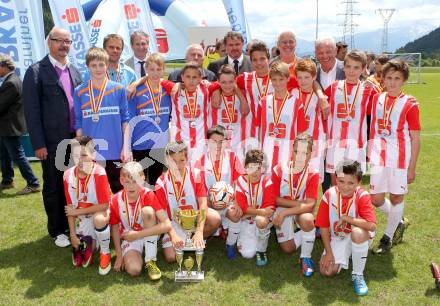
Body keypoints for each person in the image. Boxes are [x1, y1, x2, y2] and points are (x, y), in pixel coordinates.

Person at [23, 27, 83, 247]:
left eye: (67, 41)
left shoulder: (74, 71)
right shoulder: (36, 71)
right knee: (54, 186)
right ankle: (57, 230)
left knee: (72, 184)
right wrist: (38, 144)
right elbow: (31, 111)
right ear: (49, 42)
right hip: (51, 142)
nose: (64, 45)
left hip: (73, 140)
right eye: (59, 41)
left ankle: (70, 224)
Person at [369, 60, 421, 254]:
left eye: (397, 78)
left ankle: (387, 238)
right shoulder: (377, 99)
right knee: (375, 198)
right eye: (388, 78)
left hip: (399, 159)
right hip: (379, 157)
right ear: (383, 78)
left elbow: (415, 138)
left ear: (404, 81)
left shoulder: (410, 104)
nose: (392, 82)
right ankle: (399, 221)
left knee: (396, 197)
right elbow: (374, 128)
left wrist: (412, 167)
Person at [74, 47, 131, 193]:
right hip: (91, 152)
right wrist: (81, 150)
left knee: (119, 191)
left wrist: (126, 148)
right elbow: (78, 122)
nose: (98, 69)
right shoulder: (79, 91)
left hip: (116, 151)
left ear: (107, 65)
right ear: (87, 67)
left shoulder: (118, 89)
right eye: (94, 65)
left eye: (101, 65)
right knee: (94, 193)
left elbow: (125, 121)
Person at [315, 160, 376, 296]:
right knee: (327, 271)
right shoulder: (329, 195)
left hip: (361, 236)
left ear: (359, 183)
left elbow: (372, 225)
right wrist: (329, 252)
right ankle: (351, 253)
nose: (345, 187)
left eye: (351, 183)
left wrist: (348, 218)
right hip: (339, 237)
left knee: (357, 233)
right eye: (341, 181)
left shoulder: (362, 196)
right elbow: (324, 227)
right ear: (336, 179)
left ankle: (358, 275)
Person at [155, 141, 221, 263]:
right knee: (171, 258)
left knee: (215, 218)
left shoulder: (195, 175)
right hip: (174, 223)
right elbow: (163, 215)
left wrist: (200, 231)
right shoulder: (161, 182)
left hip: (195, 219)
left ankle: (196, 238)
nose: (178, 165)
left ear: (187, 159)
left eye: (182, 161)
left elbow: (202, 204)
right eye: (173, 161)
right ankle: (188, 240)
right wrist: (173, 235)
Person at [110, 161, 172, 280]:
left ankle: (150, 260)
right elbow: (115, 228)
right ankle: (137, 253)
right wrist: (119, 255)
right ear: (121, 181)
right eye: (127, 182)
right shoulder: (115, 200)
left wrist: (138, 234)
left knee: (148, 211)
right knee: (134, 270)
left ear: (142, 179)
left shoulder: (148, 194)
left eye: (135, 182)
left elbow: (167, 225)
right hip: (130, 237)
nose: (131, 186)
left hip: (149, 232)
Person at [324, 50, 377, 185]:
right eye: (348, 66)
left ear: (364, 68)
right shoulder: (334, 87)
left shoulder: (368, 90)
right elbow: (322, 109)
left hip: (356, 144)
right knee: (336, 183)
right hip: (335, 144)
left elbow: (380, 112)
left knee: (353, 183)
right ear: (344, 67)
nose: (351, 71)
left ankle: (352, 207)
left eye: (356, 67)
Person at [272, 133, 319, 276]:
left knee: (307, 219)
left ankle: (306, 257)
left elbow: (310, 205)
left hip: (298, 211)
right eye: (297, 151)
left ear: (311, 154)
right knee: (288, 248)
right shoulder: (279, 169)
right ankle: (312, 232)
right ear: (291, 150)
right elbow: (274, 199)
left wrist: (286, 212)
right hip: (285, 207)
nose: (300, 156)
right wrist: (297, 204)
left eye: (305, 153)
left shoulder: (313, 173)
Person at [63, 136, 112, 275]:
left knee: (99, 220)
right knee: (85, 248)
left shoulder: (99, 172)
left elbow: (104, 205)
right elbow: (70, 209)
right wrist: (72, 235)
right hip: (84, 217)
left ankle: (106, 253)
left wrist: (76, 213)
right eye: (76, 155)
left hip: (102, 212)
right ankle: (89, 239)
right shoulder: (67, 175)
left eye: (84, 155)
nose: (80, 160)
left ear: (93, 155)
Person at [195, 125, 243, 259]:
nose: (217, 145)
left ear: (226, 142)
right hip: (209, 204)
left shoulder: (232, 157)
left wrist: (236, 202)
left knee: (236, 213)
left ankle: (230, 244)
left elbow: (239, 183)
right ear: (207, 142)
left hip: (228, 202)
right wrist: (210, 203)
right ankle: (200, 240)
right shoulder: (200, 161)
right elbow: (198, 190)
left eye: (221, 141)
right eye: (214, 141)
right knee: (213, 219)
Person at [128, 53, 174, 186]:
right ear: (146, 69)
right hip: (139, 145)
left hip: (160, 146)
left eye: (159, 69)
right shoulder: (136, 91)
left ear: (163, 70)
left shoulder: (167, 91)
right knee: (139, 182)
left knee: (156, 182)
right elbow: (130, 121)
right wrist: (128, 147)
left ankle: (156, 206)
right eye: (152, 69)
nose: (155, 73)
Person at [0, 54, 40, 195]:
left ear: (4, 67)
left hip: (10, 127)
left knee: (18, 156)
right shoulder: (12, 80)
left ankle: (33, 183)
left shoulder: (11, 82)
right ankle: (7, 181)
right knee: (5, 155)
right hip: (7, 127)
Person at [256, 61, 307, 172]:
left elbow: (301, 133)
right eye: (274, 79)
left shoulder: (297, 103)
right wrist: (258, 151)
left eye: (281, 79)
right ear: (270, 80)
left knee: (285, 187)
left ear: (288, 79)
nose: (277, 83)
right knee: (267, 186)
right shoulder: (264, 101)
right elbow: (259, 128)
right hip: (266, 153)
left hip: (287, 154)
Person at [315, 37, 345, 192]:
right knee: (325, 177)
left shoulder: (347, 69)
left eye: (328, 51)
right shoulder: (312, 72)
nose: (324, 55)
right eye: (320, 52)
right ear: (316, 53)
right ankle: (330, 211)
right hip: (321, 132)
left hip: (343, 134)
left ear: (336, 51)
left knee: (344, 176)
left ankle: (345, 212)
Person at [235, 149, 275, 266]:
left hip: (260, 219)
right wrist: (258, 211)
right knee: (247, 254)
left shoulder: (267, 181)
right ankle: (239, 238)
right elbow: (243, 207)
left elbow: (270, 210)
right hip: (246, 221)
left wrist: (250, 212)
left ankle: (262, 251)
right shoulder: (240, 181)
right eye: (251, 167)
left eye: (258, 168)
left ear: (262, 168)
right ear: (245, 167)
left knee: (261, 220)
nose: (255, 172)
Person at [293, 59, 326, 182]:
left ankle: (310, 201)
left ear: (314, 77)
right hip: (296, 142)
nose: (303, 81)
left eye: (307, 77)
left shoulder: (321, 97)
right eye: (300, 77)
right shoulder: (292, 93)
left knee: (313, 178)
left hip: (315, 142)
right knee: (297, 179)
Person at [169, 63, 211, 163]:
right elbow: (157, 79)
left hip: (201, 143)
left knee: (200, 174)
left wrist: (208, 83)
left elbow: (224, 83)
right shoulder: (174, 89)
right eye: (188, 77)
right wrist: (177, 84)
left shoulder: (207, 89)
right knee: (182, 174)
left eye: (195, 77)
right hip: (180, 143)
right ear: (182, 77)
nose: (191, 81)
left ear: (201, 78)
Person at [209, 65, 249, 157]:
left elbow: (246, 110)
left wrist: (242, 99)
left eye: (231, 82)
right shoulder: (212, 95)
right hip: (219, 145)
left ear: (235, 81)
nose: (227, 85)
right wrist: (216, 90)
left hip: (238, 145)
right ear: (218, 82)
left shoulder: (243, 94)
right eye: (224, 82)